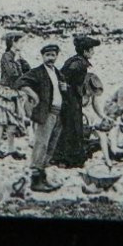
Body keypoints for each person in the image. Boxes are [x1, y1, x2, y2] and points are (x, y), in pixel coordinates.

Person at [17, 43, 64, 192]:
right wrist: (33, 95)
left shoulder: (57, 72)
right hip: (45, 113)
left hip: (58, 114)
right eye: (47, 55)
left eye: (53, 55)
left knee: (50, 147)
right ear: (42, 56)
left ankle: (43, 178)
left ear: (57, 56)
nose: (50, 58)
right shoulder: (37, 72)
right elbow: (20, 82)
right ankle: (35, 181)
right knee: (41, 145)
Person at [52, 35, 101, 168]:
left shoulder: (74, 60)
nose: (93, 52)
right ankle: (70, 158)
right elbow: (66, 77)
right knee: (72, 128)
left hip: (69, 97)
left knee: (67, 127)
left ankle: (60, 156)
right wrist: (68, 88)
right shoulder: (79, 64)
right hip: (71, 99)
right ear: (85, 51)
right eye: (91, 50)